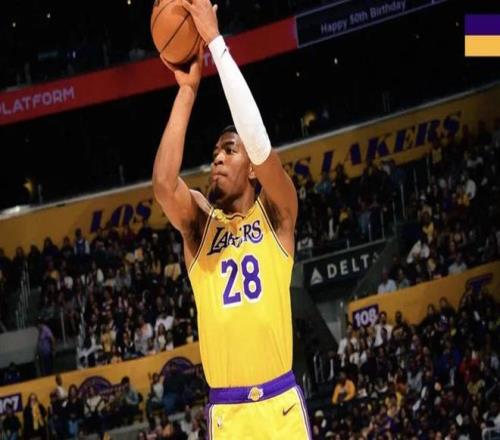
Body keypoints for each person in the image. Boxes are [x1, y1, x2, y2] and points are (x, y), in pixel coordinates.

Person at [152, 0, 307, 437]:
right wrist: (187, 91)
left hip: (280, 405)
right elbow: (163, 184)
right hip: (228, 412)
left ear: (252, 168)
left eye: (228, 150)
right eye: (215, 152)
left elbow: (259, 143)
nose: (217, 158)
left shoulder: (278, 214)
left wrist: (217, 43)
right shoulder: (201, 224)